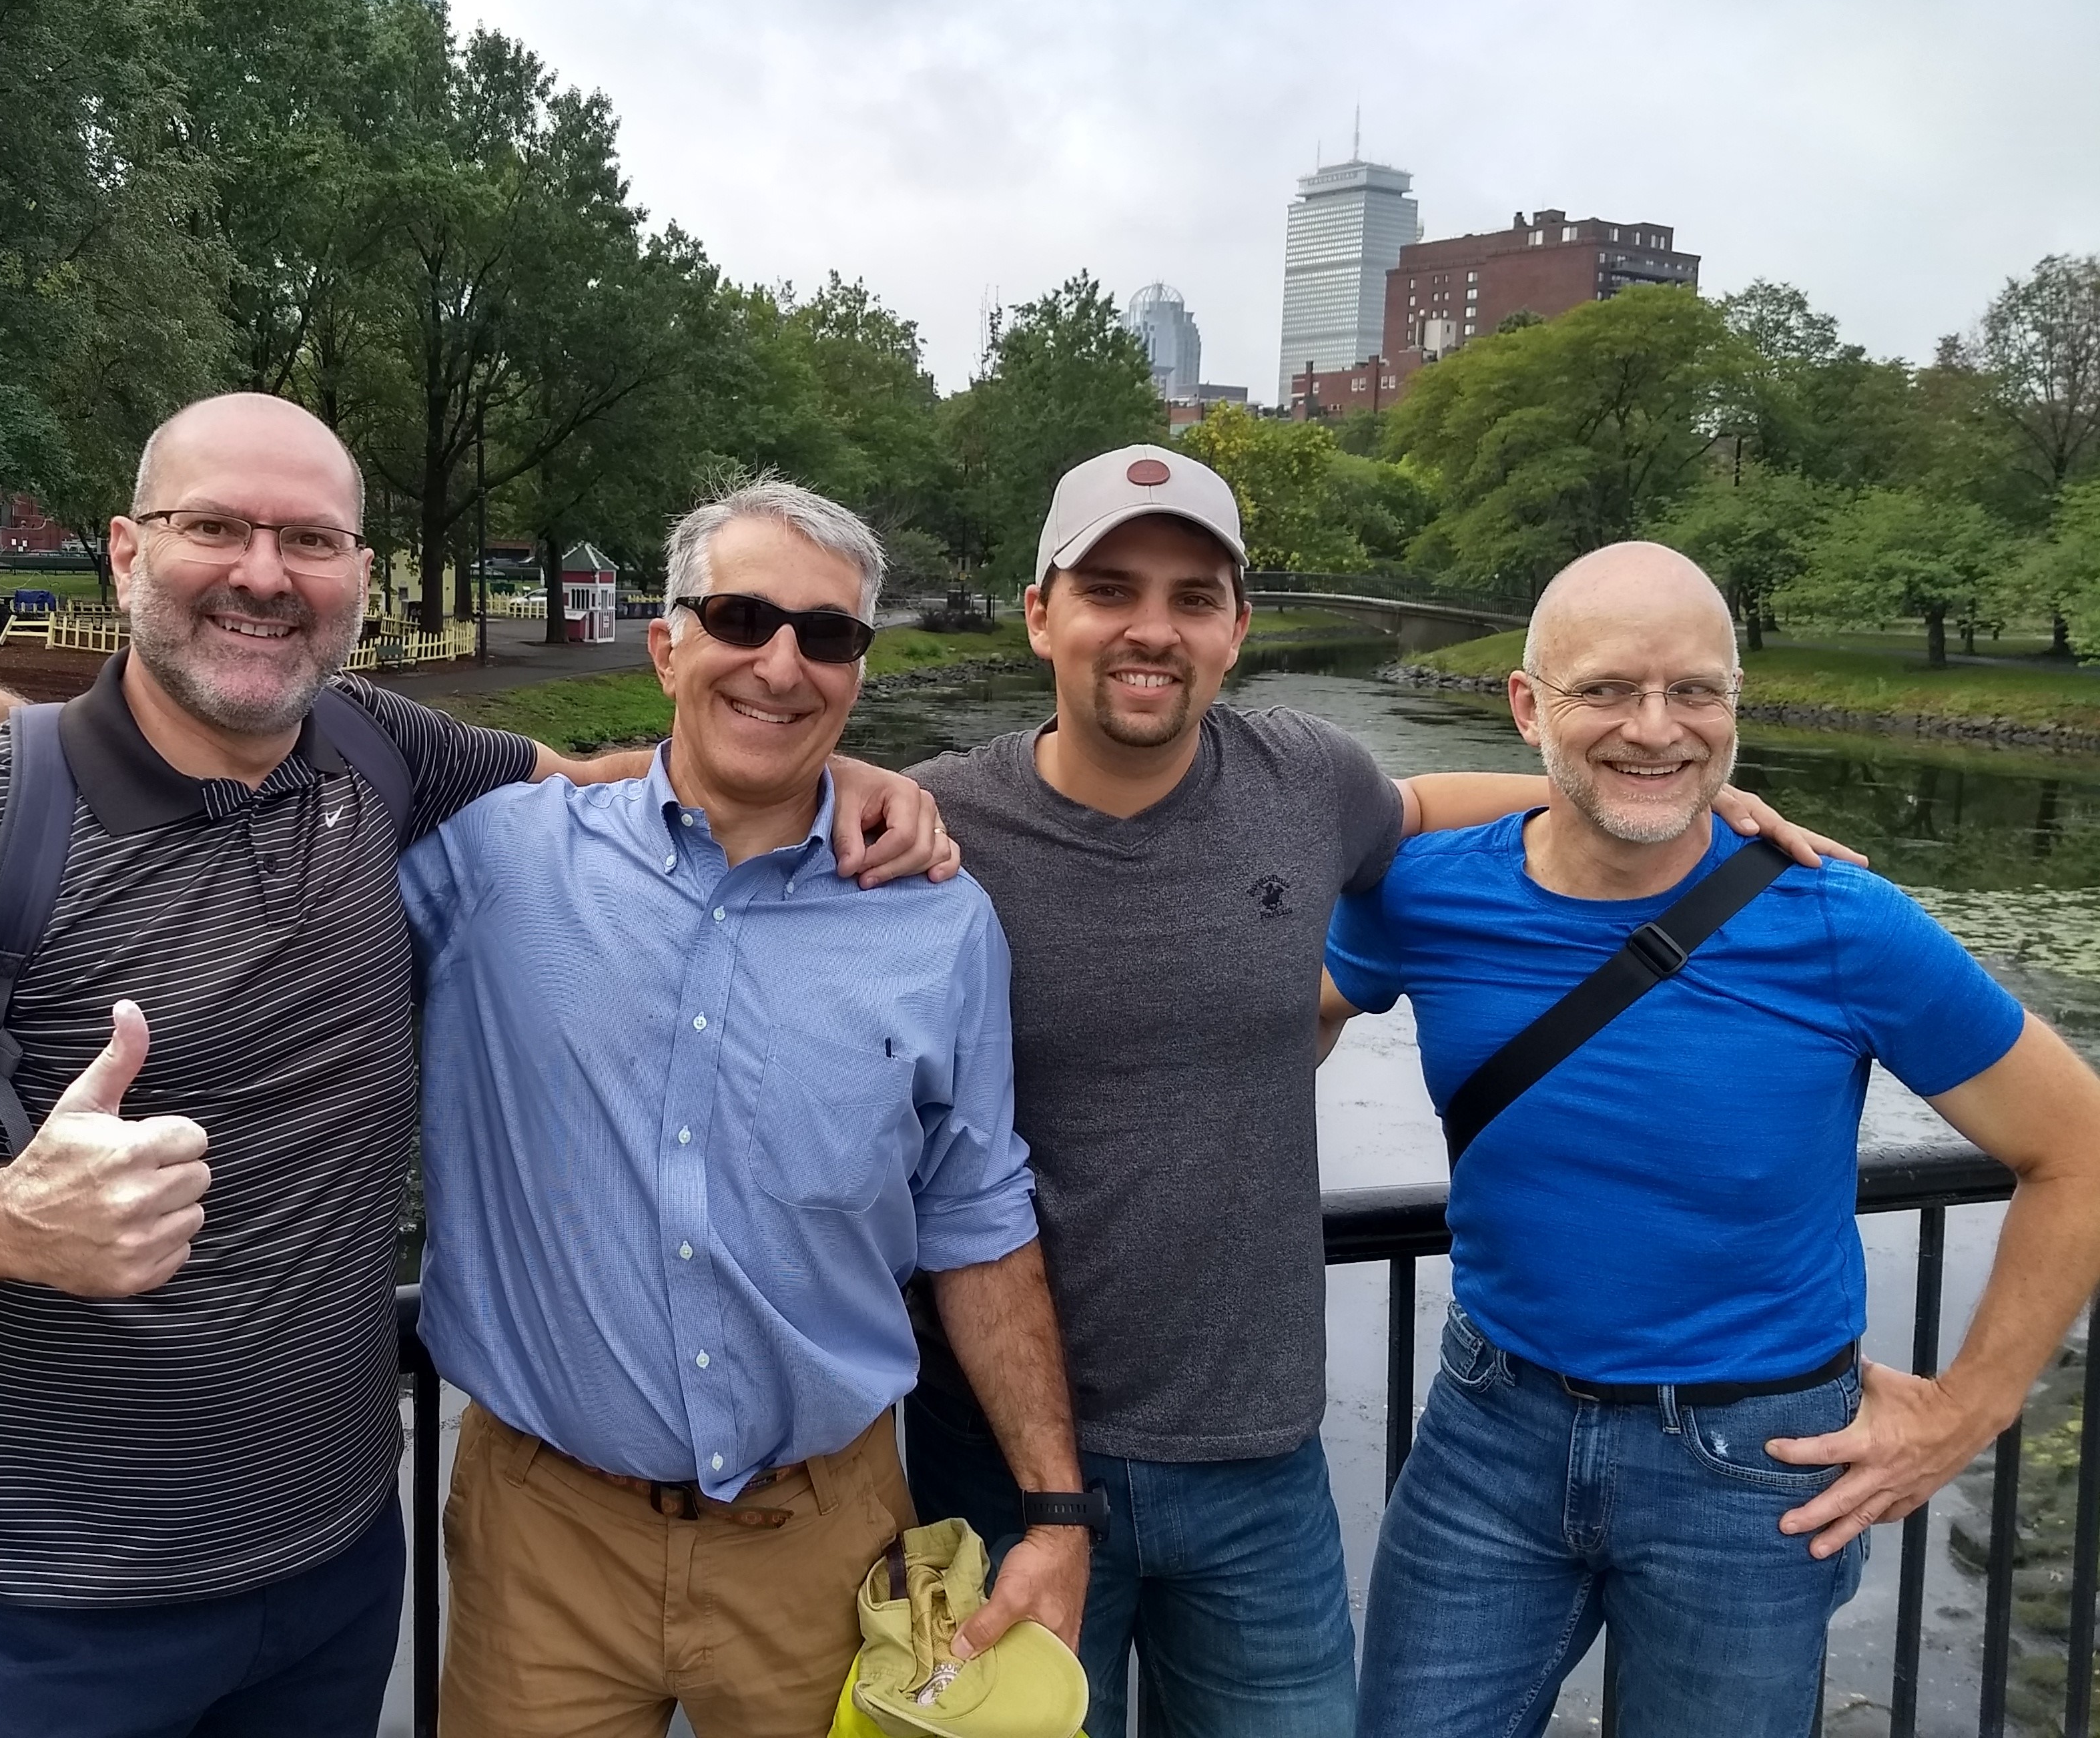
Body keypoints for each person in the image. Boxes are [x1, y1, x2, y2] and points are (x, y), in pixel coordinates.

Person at [0, 394, 952, 1738]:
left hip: (336, 1573)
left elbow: (622, 787)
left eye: (310, 540)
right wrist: (2, 1218)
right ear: (125, 554)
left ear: (360, 580)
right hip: (69, 1608)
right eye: (214, 526)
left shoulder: (382, 755)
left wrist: (836, 773)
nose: (264, 573)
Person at [898, 447, 1849, 1738]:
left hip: (1259, 1470)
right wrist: (822, 779)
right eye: (1111, 588)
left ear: (1237, 627)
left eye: (1194, 597)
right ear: (1039, 614)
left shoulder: (1305, 779)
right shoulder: (932, 824)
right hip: (1005, 1464)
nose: (1151, 629)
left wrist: (1664, 793)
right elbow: (720, 784)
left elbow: (1421, 804)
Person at [1322, 541, 2100, 1738]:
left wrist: (1970, 1411)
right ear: (1528, 704)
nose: (1657, 727)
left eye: (1695, 692)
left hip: (1753, 1470)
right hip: (1490, 1435)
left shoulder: (1840, 922)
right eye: (1608, 690)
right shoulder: (1421, 895)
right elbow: (1256, 1041)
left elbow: (2080, 1148)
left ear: (1735, 705)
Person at [404, 481, 1090, 1738]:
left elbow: (980, 1219)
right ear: (668, 645)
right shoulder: (499, 862)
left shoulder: (942, 924)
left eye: (827, 636)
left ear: (859, 673)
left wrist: (1057, 1512)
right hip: (545, 1535)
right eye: (741, 617)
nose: (782, 663)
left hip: (826, 1546)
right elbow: (246, 822)